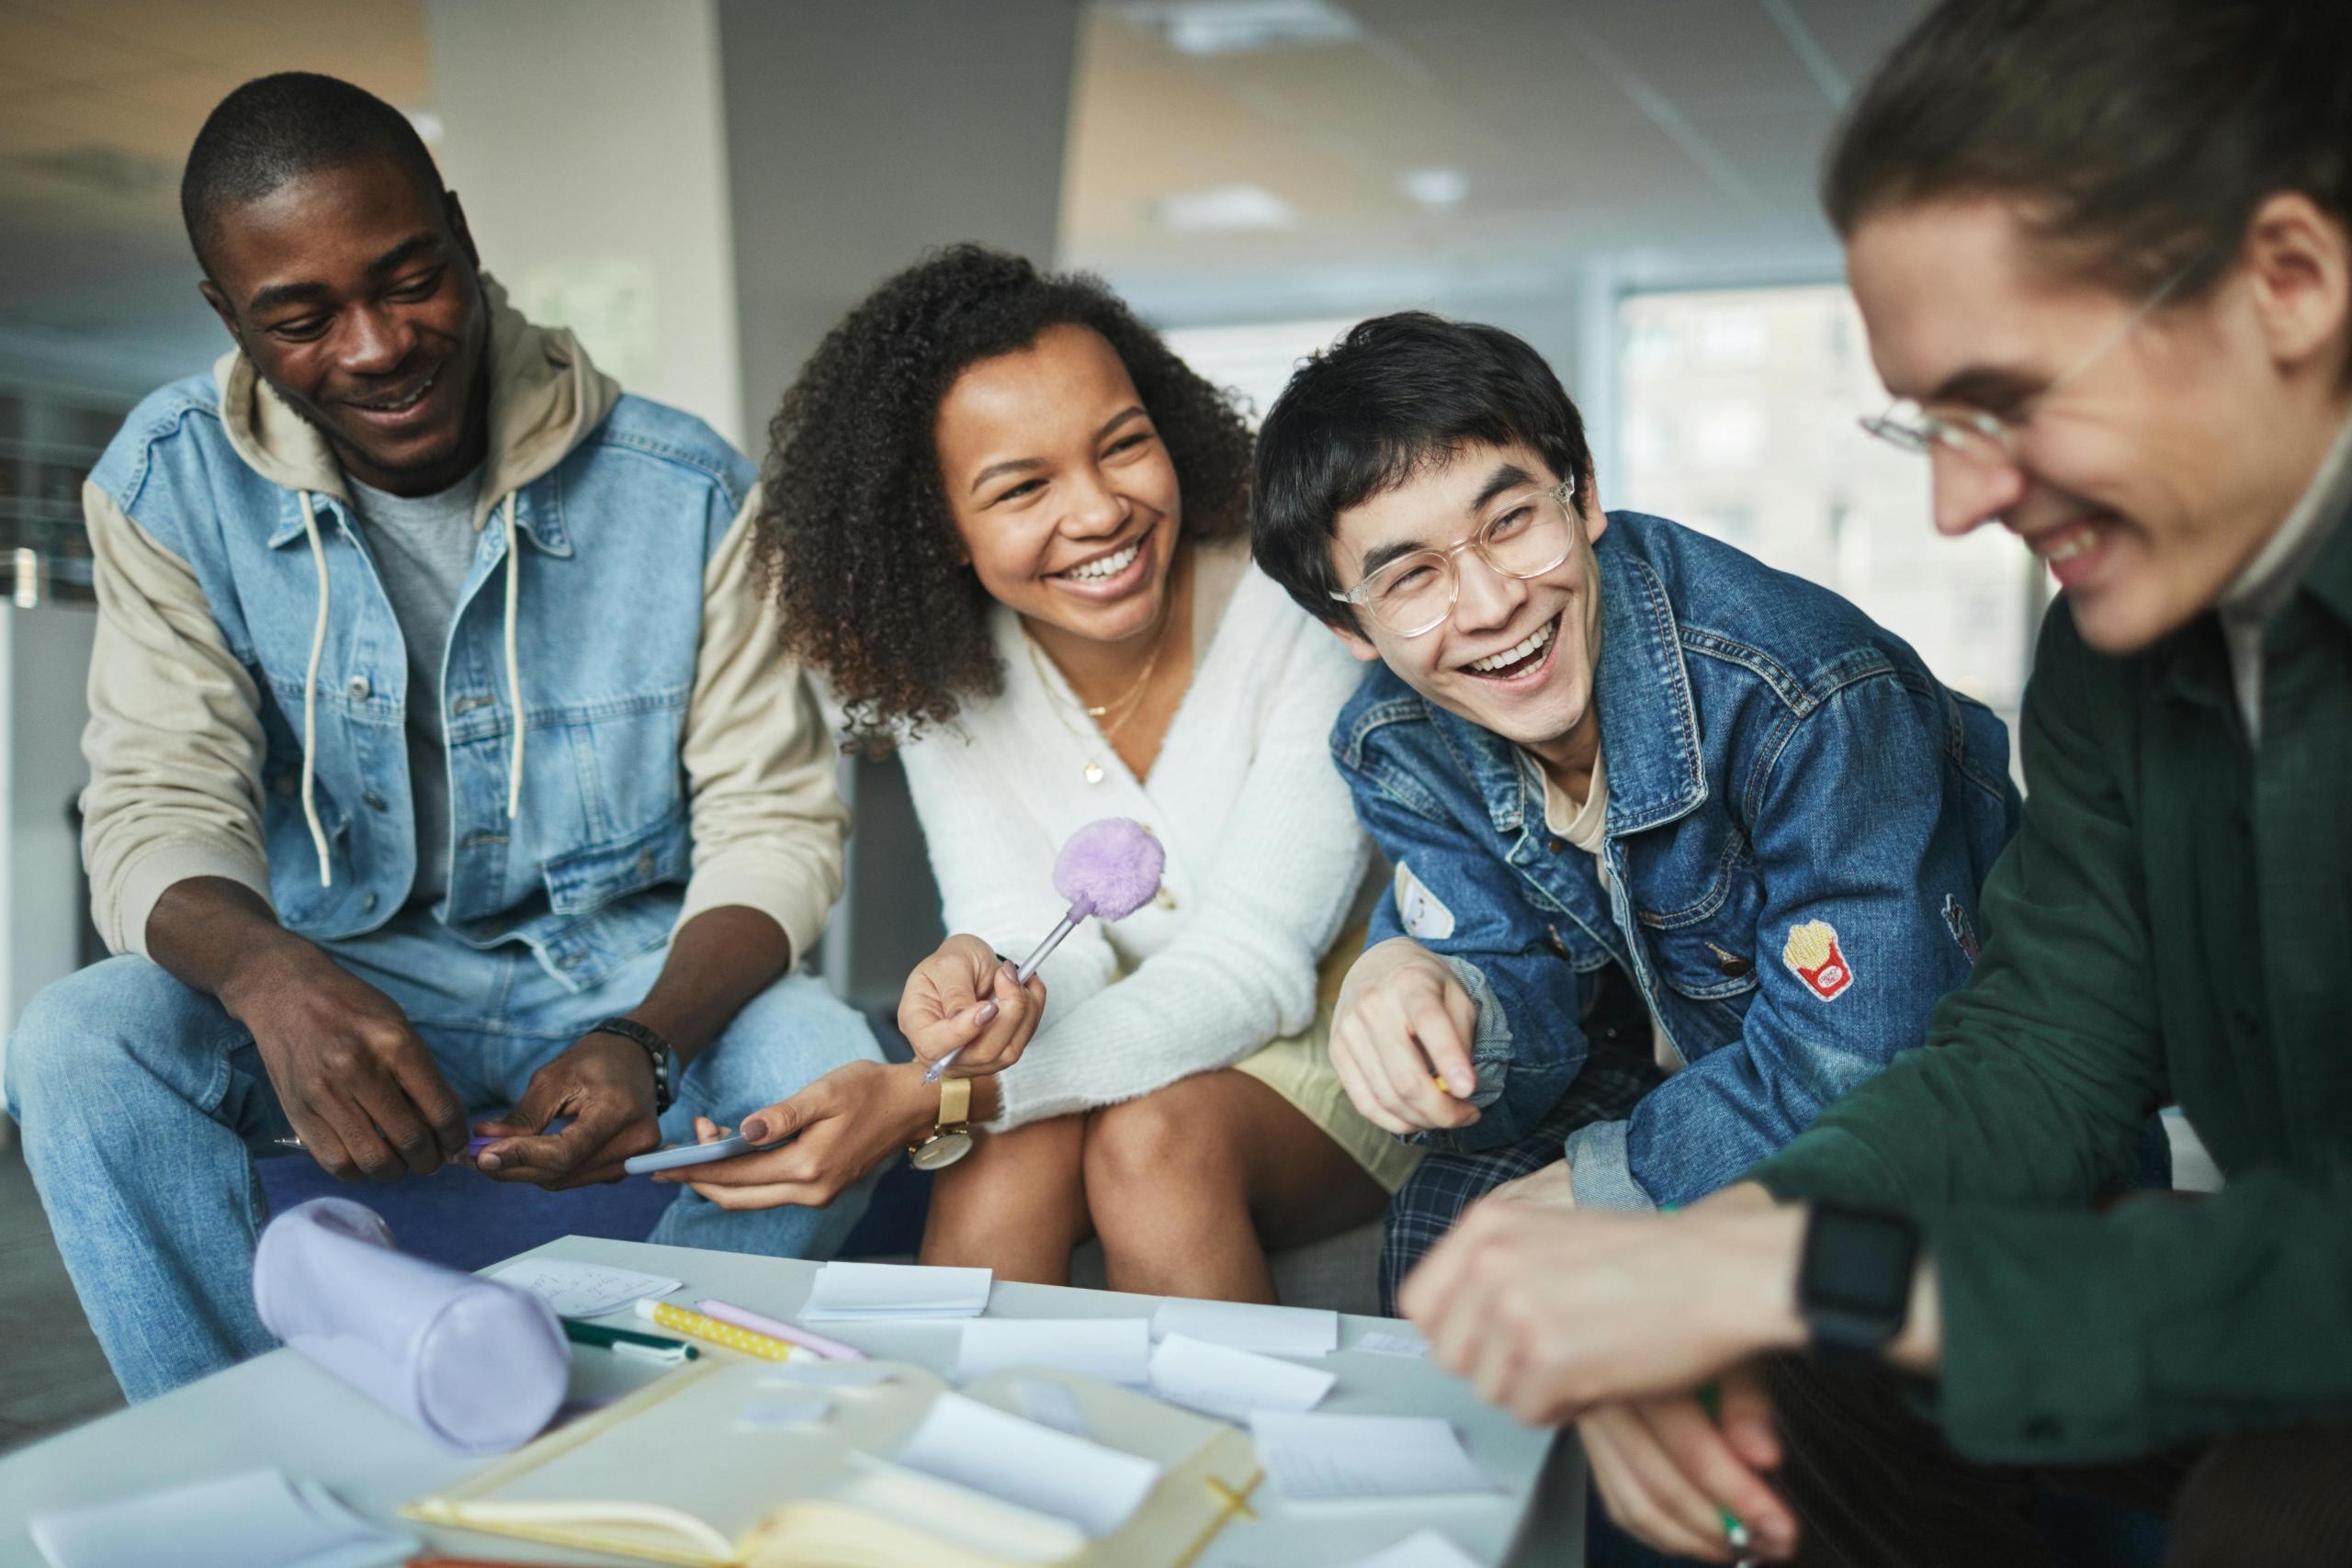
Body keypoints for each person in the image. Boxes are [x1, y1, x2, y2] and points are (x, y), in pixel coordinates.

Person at [1394, 0, 2352, 1563]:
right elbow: (2045, 1046)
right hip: (2262, 1282)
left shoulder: (1804, 684)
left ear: (2289, 282)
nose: (1964, 499)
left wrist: (1788, 1276)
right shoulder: (2115, 645)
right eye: (1929, 421)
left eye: (2010, 400)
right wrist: (1706, 1269)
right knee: (1791, 1363)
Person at [0, 73, 879, 1402]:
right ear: (227, 314)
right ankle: (263, 1452)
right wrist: (270, 977)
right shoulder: (164, 482)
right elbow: (152, 803)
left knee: (825, 1060)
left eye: (409, 278)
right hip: (332, 965)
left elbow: (775, 825)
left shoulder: (684, 488)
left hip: (622, 973)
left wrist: (645, 1039)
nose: (372, 346)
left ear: (462, 234)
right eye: (300, 318)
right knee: (77, 1040)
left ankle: (632, 1413)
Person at [656, 245, 1416, 1301]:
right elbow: (1035, 929)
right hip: (1131, 1035)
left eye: (1122, 446)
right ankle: (957, 1451)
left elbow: (1254, 961)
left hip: (1338, 1032)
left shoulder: (1293, 605)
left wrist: (933, 1098)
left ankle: (1229, 1463)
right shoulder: (942, 674)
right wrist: (988, 989)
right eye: (1021, 487)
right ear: (939, 529)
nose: (1100, 511)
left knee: (1146, 1143)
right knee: (1010, 1148)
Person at [1250, 311, 2023, 1315]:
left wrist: (1605, 1188)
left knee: (1654, 1277)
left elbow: (1864, 1060)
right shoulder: (1394, 742)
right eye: (1411, 577)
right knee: (1448, 1229)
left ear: (1584, 498)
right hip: (1675, 1071)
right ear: (1347, 625)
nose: (1489, 604)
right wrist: (1416, 981)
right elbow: (1519, 1049)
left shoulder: (1804, 695)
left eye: (1510, 521)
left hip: (1935, 1117)